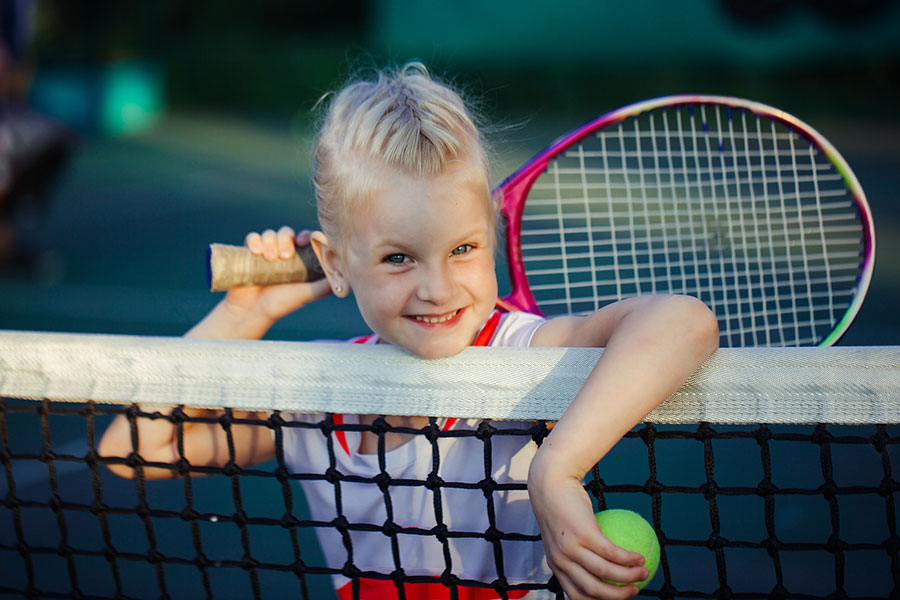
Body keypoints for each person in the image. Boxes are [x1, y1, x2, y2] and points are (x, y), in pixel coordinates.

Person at [99, 62, 719, 600]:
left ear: (492, 236)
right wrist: (244, 314)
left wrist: (556, 469)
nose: (439, 289)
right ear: (336, 263)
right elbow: (135, 450)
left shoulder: (521, 353)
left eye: (463, 248)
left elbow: (682, 321)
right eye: (399, 257)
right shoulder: (319, 394)